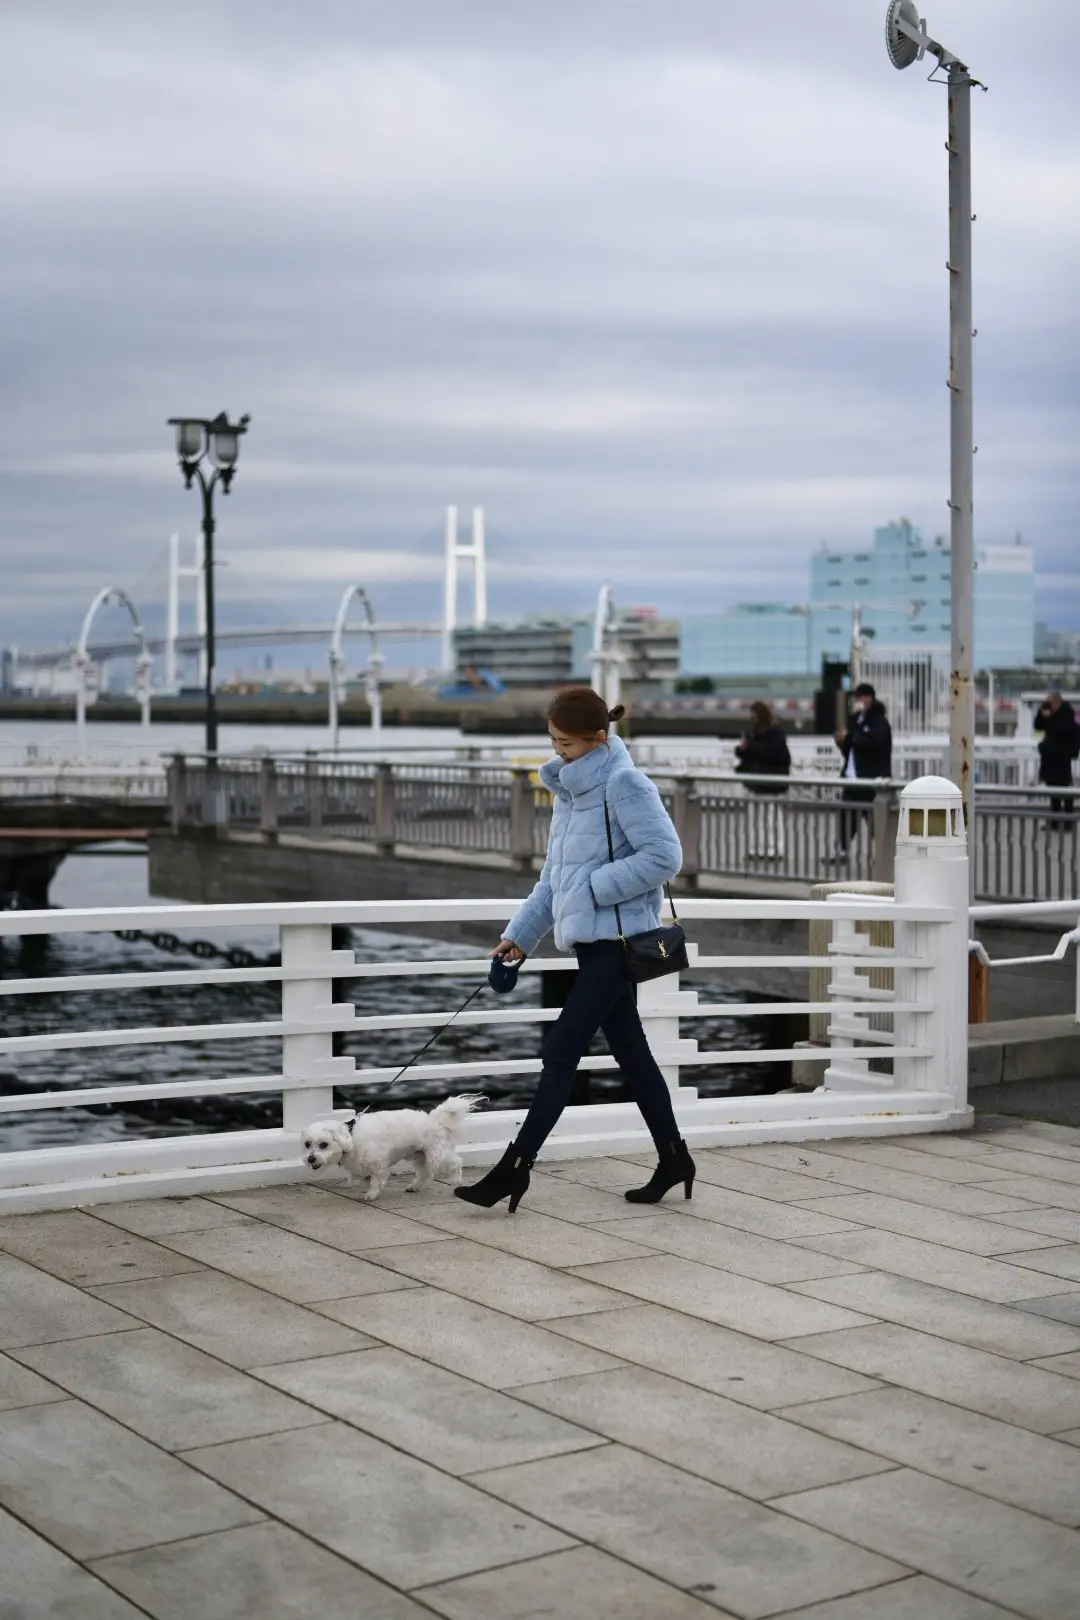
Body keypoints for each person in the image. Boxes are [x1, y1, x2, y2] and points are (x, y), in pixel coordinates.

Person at [455, 685, 693, 1214]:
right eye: (553, 741)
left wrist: (593, 889)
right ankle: (675, 1159)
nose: (558, 751)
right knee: (634, 1057)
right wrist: (521, 935)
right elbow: (553, 881)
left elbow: (664, 856)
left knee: (561, 1051)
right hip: (592, 946)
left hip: (619, 945)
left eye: (567, 743)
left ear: (599, 738)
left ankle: (514, 1168)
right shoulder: (569, 791)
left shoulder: (624, 783)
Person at [831, 682, 892, 862]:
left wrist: (850, 737)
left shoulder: (879, 721)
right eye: (855, 697)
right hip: (852, 779)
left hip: (871, 780)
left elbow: (874, 743)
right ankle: (842, 851)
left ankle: (882, 854)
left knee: (874, 820)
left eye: (861, 697)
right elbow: (850, 749)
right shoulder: (854, 720)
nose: (857, 701)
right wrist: (841, 741)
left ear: (870, 698)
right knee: (847, 817)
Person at [734, 700, 791, 860]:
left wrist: (750, 747)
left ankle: (775, 849)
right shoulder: (754, 733)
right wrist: (741, 750)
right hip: (756, 781)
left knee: (771, 817)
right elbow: (749, 754)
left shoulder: (775, 734)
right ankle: (757, 848)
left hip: (770, 782)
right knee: (755, 818)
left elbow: (773, 753)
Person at [1034, 685, 1079, 828]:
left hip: (1062, 758)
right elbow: (1038, 726)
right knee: (1053, 790)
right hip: (1050, 758)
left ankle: (1068, 822)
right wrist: (1041, 712)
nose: (1049, 704)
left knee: (1064, 789)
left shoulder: (1067, 713)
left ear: (1057, 701)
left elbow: (1060, 729)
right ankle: (1054, 821)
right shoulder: (1050, 713)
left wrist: (1048, 717)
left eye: (1050, 701)